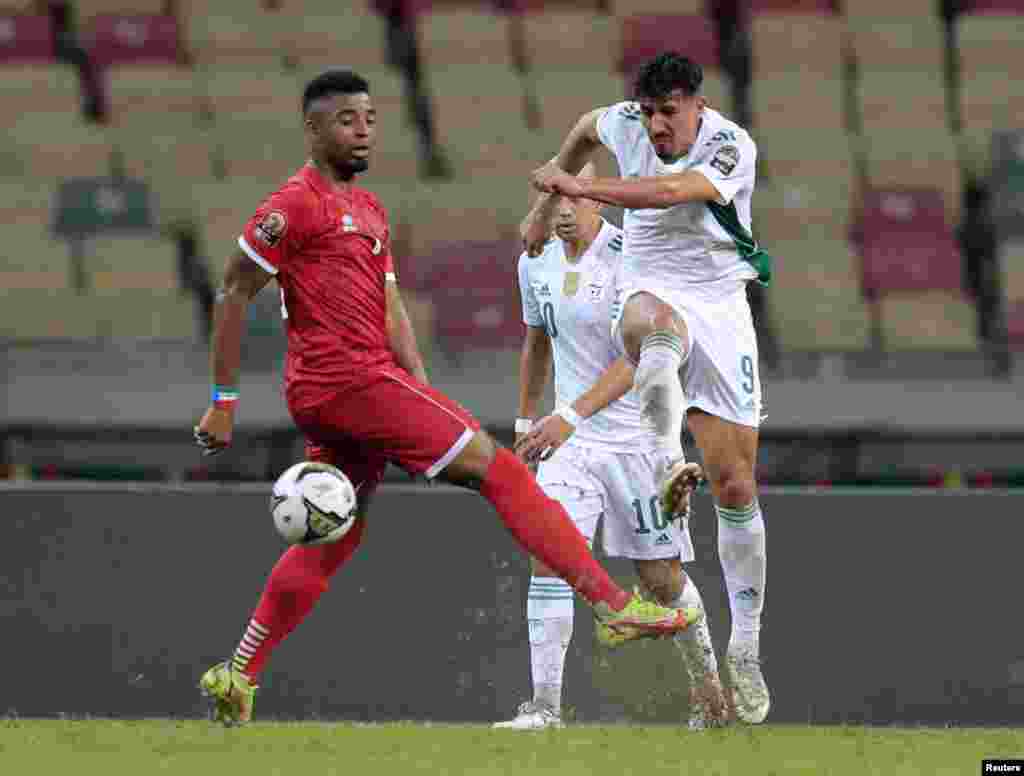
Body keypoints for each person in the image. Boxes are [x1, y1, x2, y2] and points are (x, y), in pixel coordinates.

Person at [191, 69, 701, 726]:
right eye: (346, 120)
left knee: (334, 535)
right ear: (313, 128)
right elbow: (234, 289)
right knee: (502, 470)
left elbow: (390, 308)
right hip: (346, 380)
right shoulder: (292, 206)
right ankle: (612, 605)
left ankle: (238, 673)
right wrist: (223, 399)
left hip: (357, 388)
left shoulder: (369, 211)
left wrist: (420, 396)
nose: (363, 130)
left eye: (369, 118)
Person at [517, 52, 771, 724]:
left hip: (720, 300)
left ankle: (744, 645)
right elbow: (583, 128)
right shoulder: (624, 123)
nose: (657, 126)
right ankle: (665, 461)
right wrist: (546, 200)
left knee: (736, 485)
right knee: (650, 328)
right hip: (651, 282)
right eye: (650, 113)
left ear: (697, 108)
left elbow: (666, 193)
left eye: (670, 113)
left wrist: (574, 186)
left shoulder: (731, 146)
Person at [494, 167, 727, 730]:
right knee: (549, 556)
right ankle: (544, 708)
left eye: (575, 196)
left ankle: (710, 695)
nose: (564, 209)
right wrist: (526, 421)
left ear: (598, 200)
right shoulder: (535, 261)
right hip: (570, 447)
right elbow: (536, 340)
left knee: (661, 580)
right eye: (554, 197)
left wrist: (569, 417)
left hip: (636, 443)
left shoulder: (631, 260)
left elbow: (640, 355)